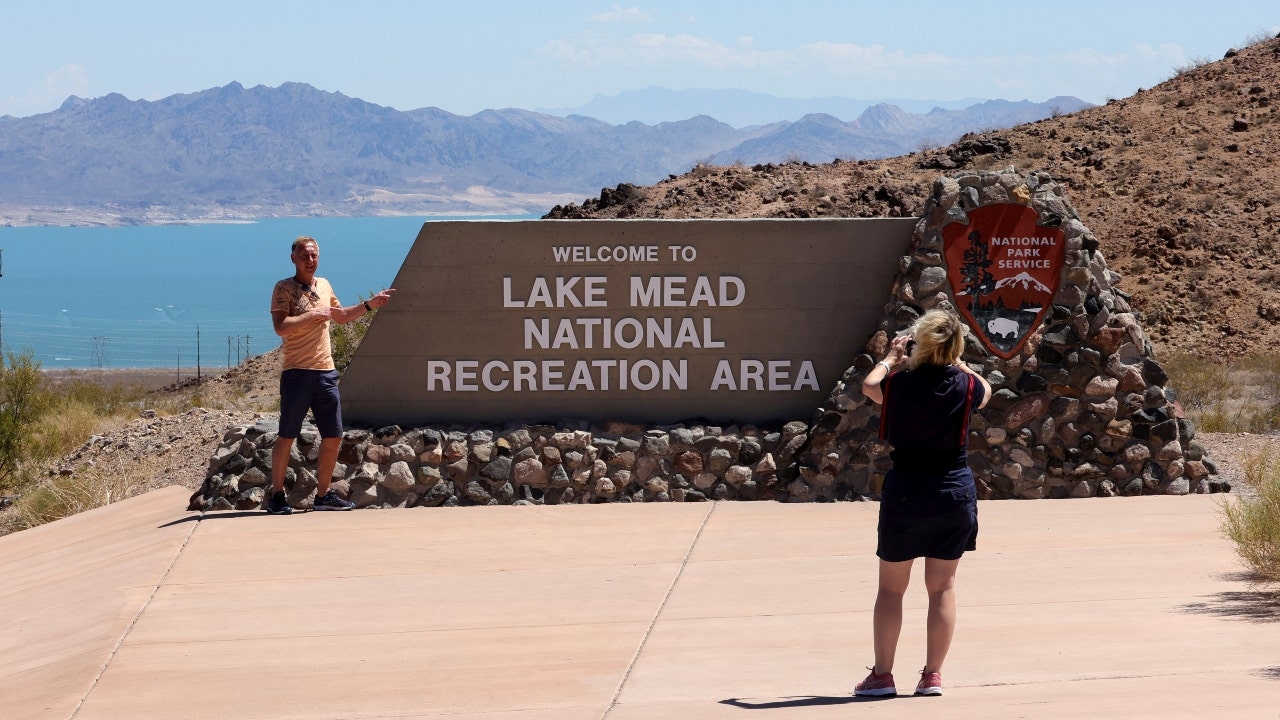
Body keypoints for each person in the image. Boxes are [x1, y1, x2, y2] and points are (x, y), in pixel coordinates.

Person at [853, 309, 991, 698]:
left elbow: (869, 385)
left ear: (919, 344)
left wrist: (891, 358)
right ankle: (932, 676)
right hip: (953, 492)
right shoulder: (966, 386)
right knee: (943, 588)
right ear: (954, 345)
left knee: (892, 590)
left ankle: (882, 676)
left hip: (907, 492)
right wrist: (960, 362)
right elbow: (987, 391)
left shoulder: (899, 384)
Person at [266, 235, 395, 514]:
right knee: (287, 435)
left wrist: (370, 305)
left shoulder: (323, 285)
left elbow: (340, 315)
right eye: (304, 256)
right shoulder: (283, 288)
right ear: (293, 259)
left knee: (334, 435)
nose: (310, 260)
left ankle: (323, 495)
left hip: (325, 372)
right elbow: (281, 327)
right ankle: (277, 496)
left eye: (313, 256)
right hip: (297, 372)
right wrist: (312, 315)